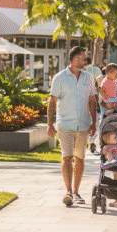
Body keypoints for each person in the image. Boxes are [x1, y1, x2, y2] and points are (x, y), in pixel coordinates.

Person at [47, 46, 98, 207]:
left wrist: (94, 122)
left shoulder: (88, 78)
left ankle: (76, 192)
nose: (86, 61)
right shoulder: (60, 78)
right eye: (84, 58)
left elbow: (92, 100)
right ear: (75, 59)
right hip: (65, 124)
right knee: (67, 157)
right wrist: (49, 124)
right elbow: (52, 101)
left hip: (83, 125)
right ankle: (68, 192)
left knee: (80, 158)